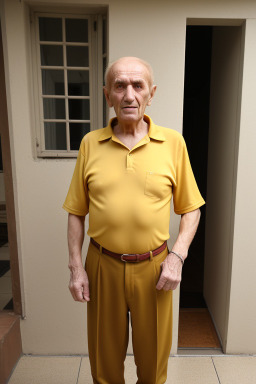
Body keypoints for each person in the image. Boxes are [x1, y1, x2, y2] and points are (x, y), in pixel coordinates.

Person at [63, 56, 205, 384]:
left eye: (138, 86)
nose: (129, 95)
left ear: (151, 93)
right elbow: (76, 211)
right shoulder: (90, 144)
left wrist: (178, 257)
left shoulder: (172, 143)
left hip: (154, 269)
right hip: (102, 266)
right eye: (120, 86)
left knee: (153, 368)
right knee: (105, 367)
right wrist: (76, 267)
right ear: (107, 95)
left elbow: (191, 208)